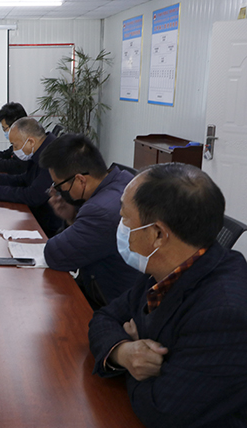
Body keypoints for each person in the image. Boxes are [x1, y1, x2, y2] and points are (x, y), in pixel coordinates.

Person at [88, 163, 247, 427]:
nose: (120, 226)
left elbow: (161, 411)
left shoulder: (224, 314)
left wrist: (136, 359)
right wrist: (125, 352)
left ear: (158, 234)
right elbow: (104, 317)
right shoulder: (167, 266)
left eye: (125, 218)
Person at [39, 134, 142, 308]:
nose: (57, 191)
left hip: (112, 304)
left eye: (59, 186)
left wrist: (74, 215)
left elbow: (55, 255)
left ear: (80, 180)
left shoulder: (99, 211)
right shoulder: (124, 179)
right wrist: (71, 217)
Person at [0, 117, 62, 237]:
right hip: (38, 216)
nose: (14, 150)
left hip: (47, 227)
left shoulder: (52, 156)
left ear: (30, 142)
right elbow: (26, 179)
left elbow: (33, 196)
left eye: (15, 146)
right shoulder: (41, 148)